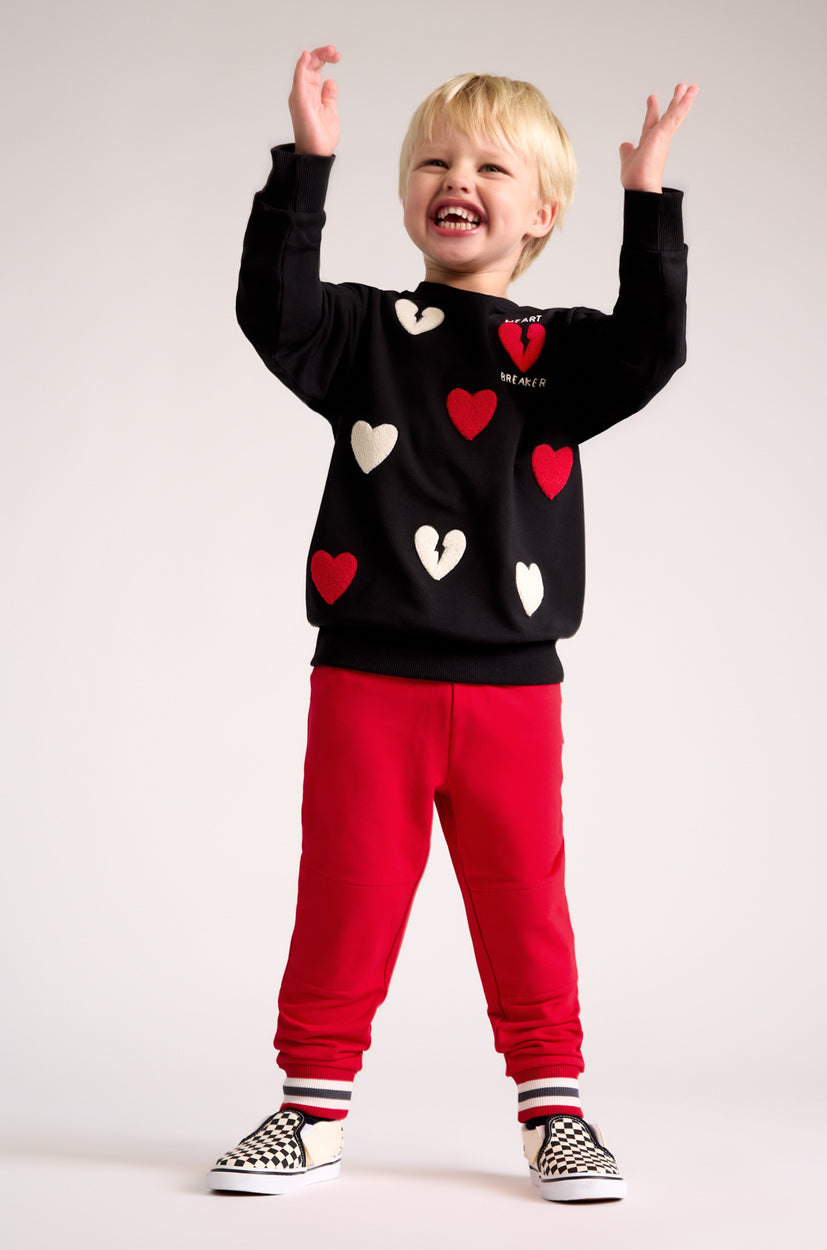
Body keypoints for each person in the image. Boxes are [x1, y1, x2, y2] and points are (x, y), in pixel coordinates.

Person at [208, 43, 697, 1202]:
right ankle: (309, 1110)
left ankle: (556, 1112)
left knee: (523, 896)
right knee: (347, 884)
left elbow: (654, 344)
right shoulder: (359, 334)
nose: (454, 176)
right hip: (365, 677)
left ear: (542, 211)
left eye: (487, 163)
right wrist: (306, 165)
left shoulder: (558, 358)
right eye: (432, 158)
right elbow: (268, 309)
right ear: (407, 195)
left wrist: (650, 204)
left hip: (512, 688)